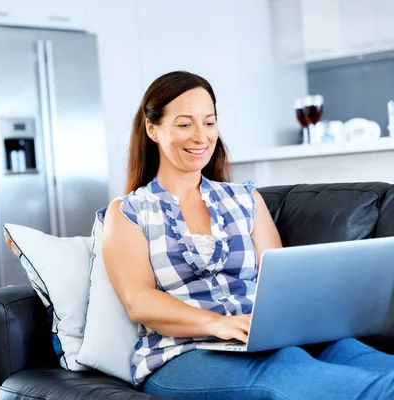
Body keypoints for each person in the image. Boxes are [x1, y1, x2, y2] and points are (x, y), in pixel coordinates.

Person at [98, 71, 394, 399]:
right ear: (152, 129)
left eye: (209, 123)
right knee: (337, 382)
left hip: (268, 338)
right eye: (184, 124)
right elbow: (139, 301)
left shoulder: (245, 200)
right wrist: (218, 324)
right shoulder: (129, 212)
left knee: (375, 367)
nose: (200, 137)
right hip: (184, 353)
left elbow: (282, 284)